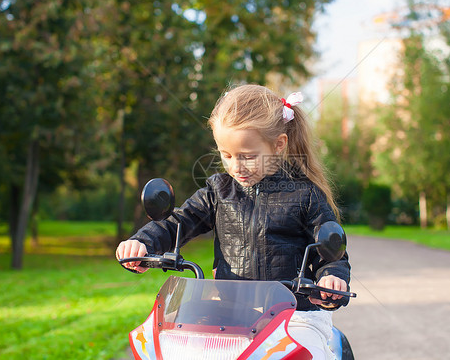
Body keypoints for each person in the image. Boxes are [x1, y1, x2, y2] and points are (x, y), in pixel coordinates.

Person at [116, 84, 351, 359]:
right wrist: (143, 243)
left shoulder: (305, 195)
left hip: (295, 317)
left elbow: (332, 251)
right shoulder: (218, 191)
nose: (236, 166)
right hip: (230, 316)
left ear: (279, 144)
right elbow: (179, 221)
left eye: (247, 156)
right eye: (226, 155)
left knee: (304, 354)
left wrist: (332, 277)